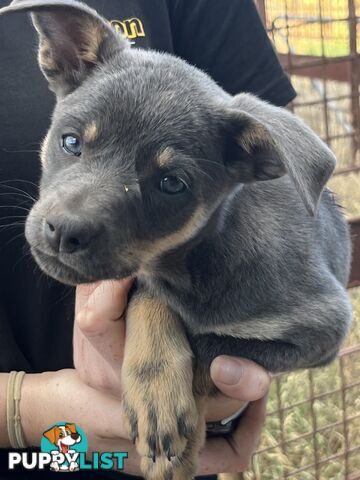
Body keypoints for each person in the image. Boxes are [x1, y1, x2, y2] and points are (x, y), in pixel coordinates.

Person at [0, 0, 295, 478]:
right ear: (65, 56)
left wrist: (162, 312)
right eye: (72, 144)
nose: (71, 220)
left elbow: (268, 212)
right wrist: (24, 410)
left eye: (170, 183)